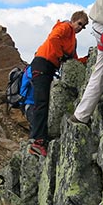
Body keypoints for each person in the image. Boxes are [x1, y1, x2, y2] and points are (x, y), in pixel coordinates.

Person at [28, 11, 89, 156]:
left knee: (44, 101)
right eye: (79, 23)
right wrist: (60, 55)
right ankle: (37, 141)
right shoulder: (65, 27)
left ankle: (40, 138)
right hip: (42, 64)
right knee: (41, 102)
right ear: (73, 20)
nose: (80, 28)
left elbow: (73, 59)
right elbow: (53, 38)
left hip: (47, 67)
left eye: (83, 26)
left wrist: (86, 59)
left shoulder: (72, 39)